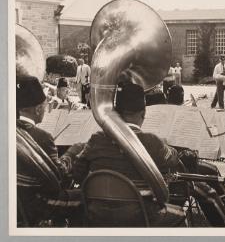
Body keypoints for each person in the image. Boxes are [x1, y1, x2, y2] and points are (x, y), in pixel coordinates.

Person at [73, 81, 186, 227]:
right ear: (144, 113)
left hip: (98, 214)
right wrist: (164, 145)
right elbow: (173, 160)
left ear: (116, 113)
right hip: (140, 216)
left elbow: (77, 173)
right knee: (180, 213)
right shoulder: (152, 142)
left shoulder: (97, 139)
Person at [16, 75, 84, 226]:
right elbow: (61, 178)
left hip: (16, 201)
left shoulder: (12, 129)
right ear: (38, 109)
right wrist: (73, 152)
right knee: (85, 197)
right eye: (45, 106)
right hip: (37, 204)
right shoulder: (43, 137)